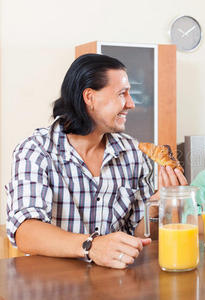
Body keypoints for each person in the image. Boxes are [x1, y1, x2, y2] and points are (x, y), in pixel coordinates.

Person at [5, 54, 187, 269]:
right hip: (53, 282)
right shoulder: (36, 150)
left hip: (115, 280)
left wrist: (158, 204)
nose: (131, 104)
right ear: (90, 97)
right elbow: (26, 231)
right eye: (122, 94)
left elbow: (139, 232)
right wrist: (92, 245)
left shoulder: (131, 152)